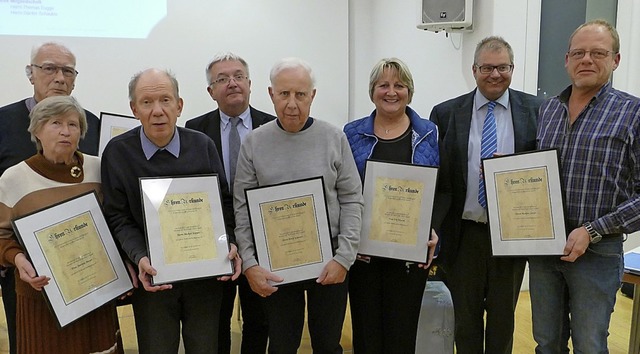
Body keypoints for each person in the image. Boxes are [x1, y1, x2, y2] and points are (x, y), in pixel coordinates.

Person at [101, 68, 241, 354]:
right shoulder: (117, 153)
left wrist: (229, 242)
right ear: (133, 109)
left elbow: (223, 203)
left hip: (204, 277)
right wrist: (140, 256)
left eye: (165, 100)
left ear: (179, 106)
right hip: (152, 277)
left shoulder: (202, 145)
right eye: (147, 102)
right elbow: (117, 216)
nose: (157, 111)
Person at [233, 57, 363, 353]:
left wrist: (344, 257)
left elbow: (352, 199)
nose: (292, 103)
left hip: (329, 260)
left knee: (329, 344)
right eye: (284, 94)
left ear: (312, 96)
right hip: (275, 262)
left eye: (300, 95)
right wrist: (251, 264)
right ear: (271, 95)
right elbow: (242, 210)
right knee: (281, 344)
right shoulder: (254, 143)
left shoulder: (334, 138)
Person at [530, 19, 640, 353]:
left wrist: (592, 230)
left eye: (598, 53)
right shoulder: (549, 109)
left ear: (616, 60)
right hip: (544, 250)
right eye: (578, 53)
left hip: (598, 253)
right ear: (566, 60)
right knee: (546, 342)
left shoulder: (633, 113)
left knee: (590, 344)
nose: (586, 60)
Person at [430, 36, 542, 353]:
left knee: (503, 318)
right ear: (474, 69)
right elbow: (439, 180)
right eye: (487, 68)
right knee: (464, 321)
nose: (495, 74)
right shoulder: (446, 113)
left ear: (513, 68)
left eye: (502, 67)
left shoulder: (537, 111)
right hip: (463, 233)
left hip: (511, 234)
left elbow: (543, 171)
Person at [0, 42, 101, 354]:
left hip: (89, 272)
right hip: (27, 272)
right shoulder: (2, 122)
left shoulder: (94, 126)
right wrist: (13, 258)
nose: (59, 77)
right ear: (31, 74)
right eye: (49, 68)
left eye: (67, 71)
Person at [342, 57, 440, 352]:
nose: (391, 91)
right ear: (372, 91)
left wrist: (434, 230)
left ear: (409, 91)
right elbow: (343, 191)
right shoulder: (351, 133)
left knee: (402, 335)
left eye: (399, 85)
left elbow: (441, 188)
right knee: (366, 335)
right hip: (364, 255)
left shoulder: (429, 133)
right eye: (383, 85)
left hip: (409, 255)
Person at [185, 52, 274, 354]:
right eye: (221, 79)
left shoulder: (272, 127)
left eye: (238, 76)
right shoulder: (193, 130)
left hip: (262, 240)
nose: (232, 83)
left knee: (259, 321)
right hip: (215, 241)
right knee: (215, 321)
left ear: (250, 84)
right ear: (211, 91)